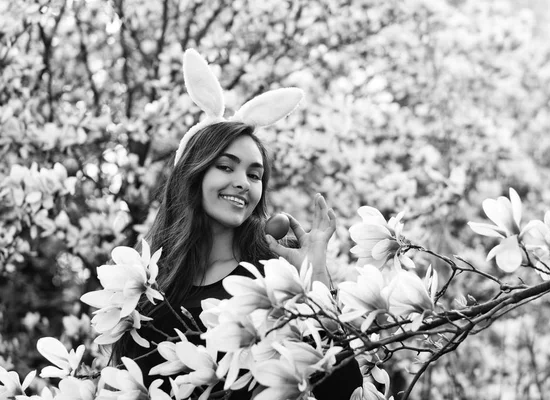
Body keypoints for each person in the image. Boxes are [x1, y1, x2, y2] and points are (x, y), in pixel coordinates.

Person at [110, 49, 362, 399]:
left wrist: (316, 281)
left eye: (254, 174)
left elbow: (344, 392)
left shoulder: (272, 280)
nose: (243, 182)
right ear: (191, 175)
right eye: (226, 167)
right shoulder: (148, 285)